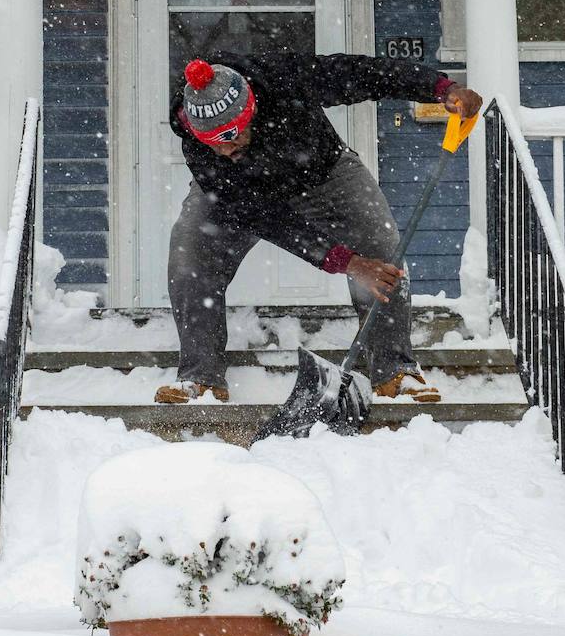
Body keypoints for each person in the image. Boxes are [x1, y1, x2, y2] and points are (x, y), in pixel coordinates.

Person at [154, 50, 483, 405]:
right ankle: (200, 380)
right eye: (213, 141)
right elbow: (267, 218)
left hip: (324, 175)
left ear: (250, 110)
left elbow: (365, 73)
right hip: (242, 198)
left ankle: (395, 372)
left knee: (380, 245)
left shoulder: (285, 77)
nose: (226, 149)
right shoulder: (204, 152)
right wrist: (348, 262)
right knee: (190, 256)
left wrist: (440, 88)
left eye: (232, 135)